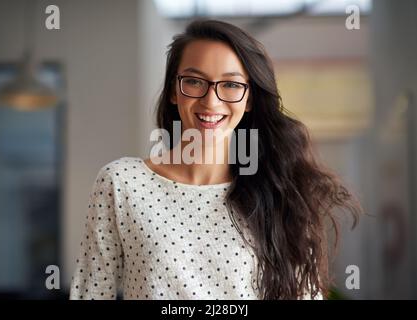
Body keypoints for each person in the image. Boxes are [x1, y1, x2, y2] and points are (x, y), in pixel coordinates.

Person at [70, 19, 361, 300]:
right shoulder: (122, 183)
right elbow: (90, 293)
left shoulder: (281, 192)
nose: (211, 101)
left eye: (231, 85)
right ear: (174, 90)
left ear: (249, 99)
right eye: (195, 81)